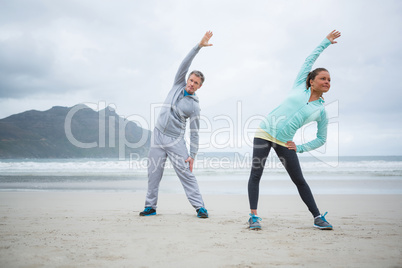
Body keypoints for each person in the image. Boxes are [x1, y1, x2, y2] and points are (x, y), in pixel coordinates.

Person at [247, 30, 341, 230]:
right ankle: (254, 216)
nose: (327, 82)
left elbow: (321, 139)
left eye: (329, 80)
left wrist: (299, 148)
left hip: (285, 142)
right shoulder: (300, 85)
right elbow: (309, 59)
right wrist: (325, 42)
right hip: (264, 132)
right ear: (311, 80)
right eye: (323, 78)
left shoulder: (321, 111)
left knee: (299, 179)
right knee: (256, 174)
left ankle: (317, 217)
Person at [139, 31, 213, 218]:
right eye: (191, 80)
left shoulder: (195, 107)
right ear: (187, 79)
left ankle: (200, 208)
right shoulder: (177, 84)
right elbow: (184, 64)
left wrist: (192, 155)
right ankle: (151, 207)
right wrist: (198, 46)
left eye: (196, 83)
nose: (192, 84)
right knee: (153, 173)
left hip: (175, 140)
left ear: (199, 87)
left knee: (186, 174)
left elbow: (195, 132)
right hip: (157, 135)